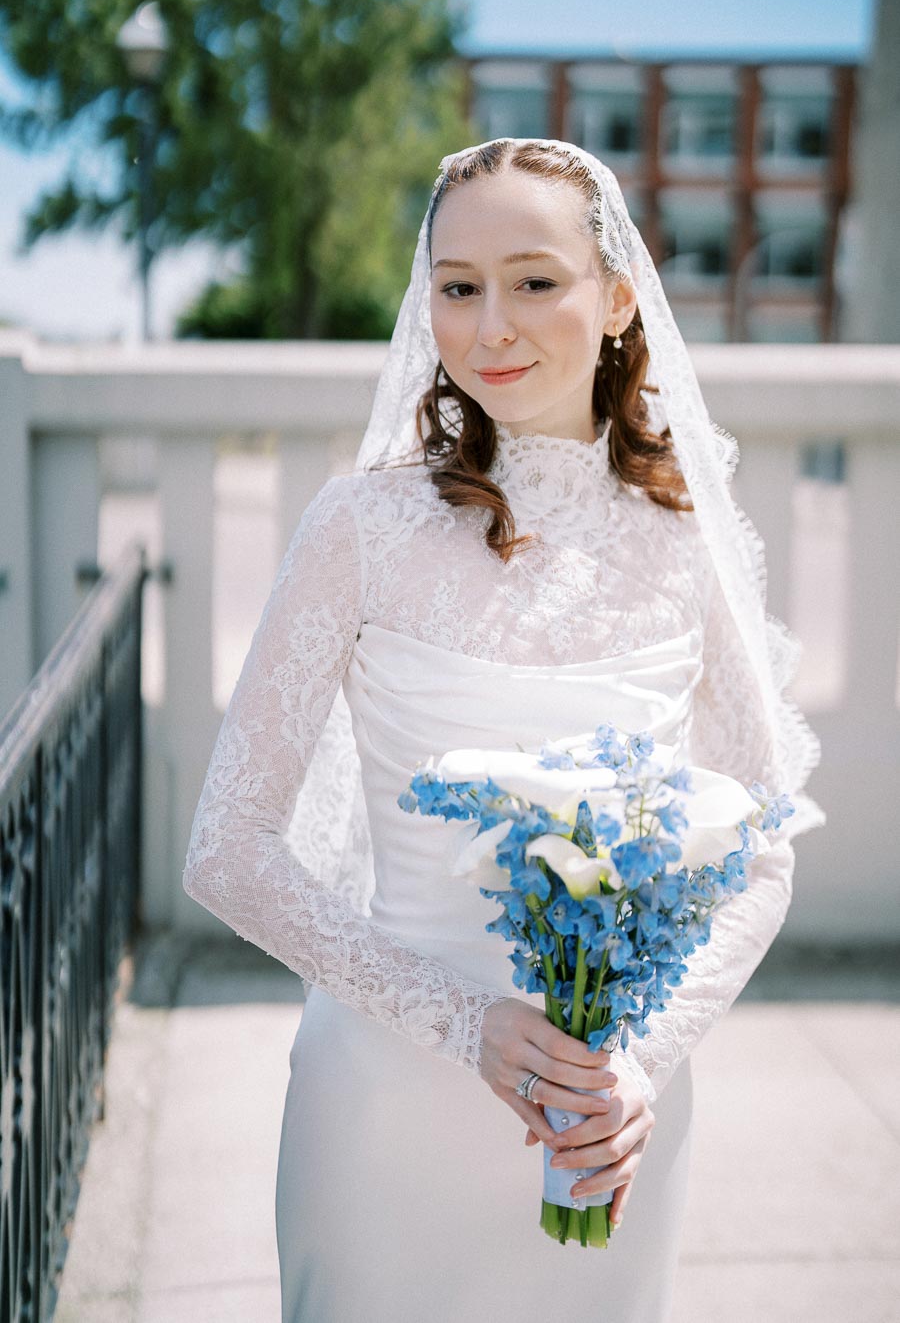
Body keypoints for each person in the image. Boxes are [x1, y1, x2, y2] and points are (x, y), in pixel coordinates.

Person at [182, 138, 824, 1322]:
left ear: (620, 298)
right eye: (458, 286)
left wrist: (644, 1060)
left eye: (535, 280)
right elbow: (228, 847)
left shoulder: (684, 544)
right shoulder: (361, 528)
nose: (492, 327)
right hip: (384, 1109)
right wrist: (461, 1021)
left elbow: (762, 847)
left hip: (604, 1125)